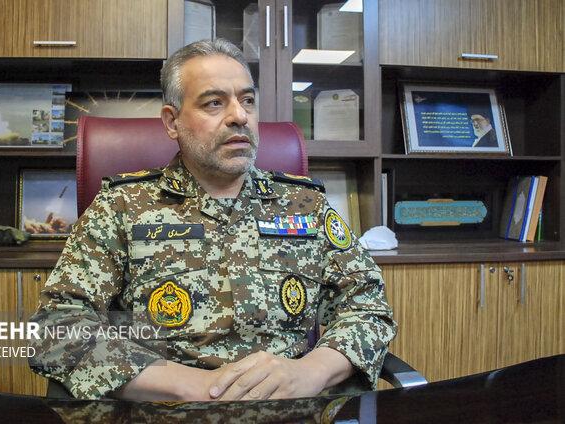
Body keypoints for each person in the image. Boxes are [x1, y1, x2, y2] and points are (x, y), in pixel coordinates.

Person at [29, 39, 396, 401]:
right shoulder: (122, 207)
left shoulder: (305, 205)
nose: (239, 116)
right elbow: (58, 325)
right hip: (167, 411)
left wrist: (310, 372)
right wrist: (196, 386)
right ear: (172, 121)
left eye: (247, 100)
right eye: (214, 103)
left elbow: (368, 307)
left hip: (289, 409)